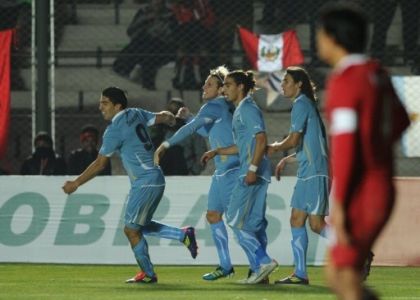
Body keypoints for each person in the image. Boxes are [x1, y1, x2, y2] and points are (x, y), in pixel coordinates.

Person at [316, 3, 410, 299]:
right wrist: (377, 151)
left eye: (320, 34)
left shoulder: (345, 81)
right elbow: (402, 120)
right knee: (340, 274)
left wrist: (340, 203)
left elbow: (344, 145)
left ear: (333, 37)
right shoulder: (376, 72)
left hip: (362, 190)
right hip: (381, 185)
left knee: (343, 278)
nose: (318, 40)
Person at [62, 87, 198, 284]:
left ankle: (149, 274)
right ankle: (182, 234)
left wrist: (76, 183)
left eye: (105, 102)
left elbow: (100, 163)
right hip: (152, 179)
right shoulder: (135, 113)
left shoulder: (113, 131)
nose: (100, 107)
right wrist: (174, 119)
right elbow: (163, 116)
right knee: (138, 226)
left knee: (131, 230)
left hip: (145, 182)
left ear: (117, 106)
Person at [154, 66, 238, 280]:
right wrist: (191, 116)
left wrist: (166, 144)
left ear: (221, 90)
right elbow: (205, 130)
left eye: (209, 84)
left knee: (241, 223)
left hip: (233, 168)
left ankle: (261, 263)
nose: (204, 86)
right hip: (223, 170)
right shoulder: (219, 107)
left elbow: (192, 130)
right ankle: (226, 265)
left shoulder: (215, 105)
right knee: (213, 215)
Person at [201, 70, 278, 284]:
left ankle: (263, 261)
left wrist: (252, 169)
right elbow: (243, 145)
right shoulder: (241, 110)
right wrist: (217, 151)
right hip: (256, 171)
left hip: (251, 172)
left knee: (235, 220)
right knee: (252, 224)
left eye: (228, 85)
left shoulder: (247, 108)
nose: (224, 89)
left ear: (241, 87)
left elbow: (261, 139)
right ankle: (260, 274)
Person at [266, 66, 329, 285]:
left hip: (314, 173)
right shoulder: (304, 105)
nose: (282, 85)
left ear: (298, 84)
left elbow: (293, 140)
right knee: (297, 219)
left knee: (317, 224)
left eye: (286, 81)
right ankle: (300, 273)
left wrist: (273, 148)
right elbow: (308, 144)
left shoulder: (301, 104)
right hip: (308, 171)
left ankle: (357, 252)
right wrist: (288, 158)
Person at [112, 0, 177, 90]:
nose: (157, 4)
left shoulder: (170, 15)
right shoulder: (143, 12)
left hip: (163, 46)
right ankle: (148, 84)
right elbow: (131, 31)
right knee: (146, 44)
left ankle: (122, 67)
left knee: (148, 43)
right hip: (144, 45)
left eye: (160, 2)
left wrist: (157, 32)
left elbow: (173, 36)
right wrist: (145, 19)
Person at [150, 98, 207, 175]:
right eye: (171, 113)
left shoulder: (193, 131)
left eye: (176, 113)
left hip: (185, 171)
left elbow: (201, 154)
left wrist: (192, 173)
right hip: (162, 171)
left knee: (176, 150)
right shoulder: (159, 130)